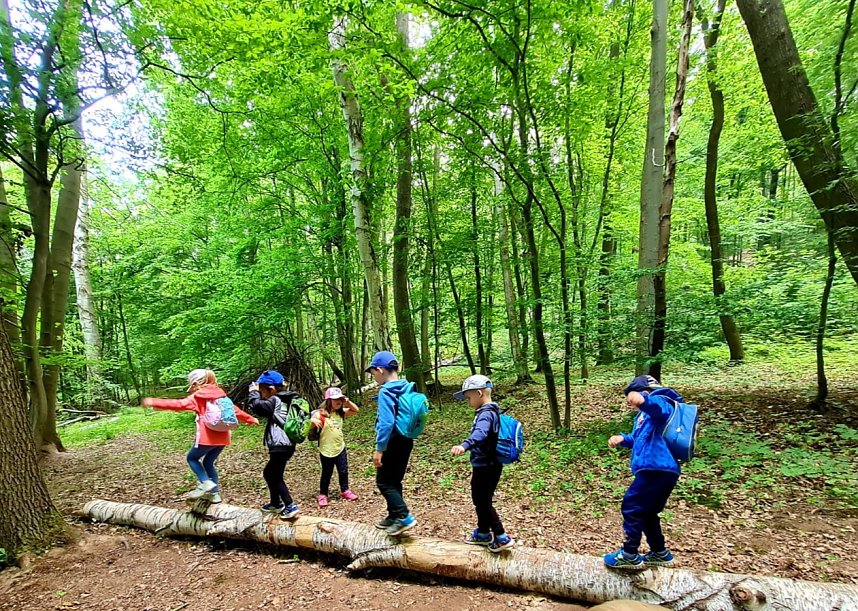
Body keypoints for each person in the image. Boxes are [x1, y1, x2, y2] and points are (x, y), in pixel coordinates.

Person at [142, 369, 257, 503]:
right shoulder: (222, 396)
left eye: (192, 385)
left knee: (192, 458)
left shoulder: (198, 397)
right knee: (208, 462)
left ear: (196, 384)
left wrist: (153, 401)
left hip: (207, 438)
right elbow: (236, 411)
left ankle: (205, 483)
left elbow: (179, 404)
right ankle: (214, 494)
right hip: (223, 438)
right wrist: (250, 419)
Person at [603, 375, 682, 570]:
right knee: (648, 513)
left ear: (645, 392)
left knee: (632, 506)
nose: (631, 404)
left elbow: (659, 408)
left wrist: (644, 400)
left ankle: (629, 553)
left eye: (631, 399)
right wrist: (623, 439)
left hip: (655, 468)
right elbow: (637, 438)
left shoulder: (663, 402)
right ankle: (659, 552)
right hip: (660, 470)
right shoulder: (643, 417)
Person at [450, 374, 515, 552]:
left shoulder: (485, 414)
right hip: (491, 465)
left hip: (485, 466)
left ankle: (501, 536)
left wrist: (464, 445)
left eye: (468, 398)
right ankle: (483, 533)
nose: (468, 402)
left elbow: (481, 433)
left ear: (479, 393)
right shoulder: (493, 412)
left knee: (482, 501)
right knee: (482, 500)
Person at [368, 351, 417, 536]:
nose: (373, 376)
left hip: (392, 442)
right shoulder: (407, 386)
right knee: (394, 480)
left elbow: (386, 423)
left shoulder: (386, 391)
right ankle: (394, 515)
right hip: (406, 440)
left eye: (373, 372)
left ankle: (404, 516)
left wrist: (380, 449)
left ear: (380, 370)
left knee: (384, 482)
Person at [246, 370, 302, 520]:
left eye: (262, 391)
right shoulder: (287, 400)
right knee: (271, 473)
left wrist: (253, 393)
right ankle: (275, 503)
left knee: (274, 475)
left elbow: (257, 406)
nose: (261, 394)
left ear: (271, 389)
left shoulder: (276, 400)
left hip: (280, 445)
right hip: (286, 445)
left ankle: (290, 505)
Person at [310, 387, 360, 507]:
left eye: (340, 399)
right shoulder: (320, 414)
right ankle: (323, 494)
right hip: (326, 449)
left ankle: (345, 490)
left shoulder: (340, 413)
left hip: (340, 447)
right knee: (327, 472)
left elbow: (355, 410)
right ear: (328, 401)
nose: (338, 401)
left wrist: (347, 402)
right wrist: (312, 421)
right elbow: (308, 425)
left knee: (343, 470)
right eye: (335, 399)